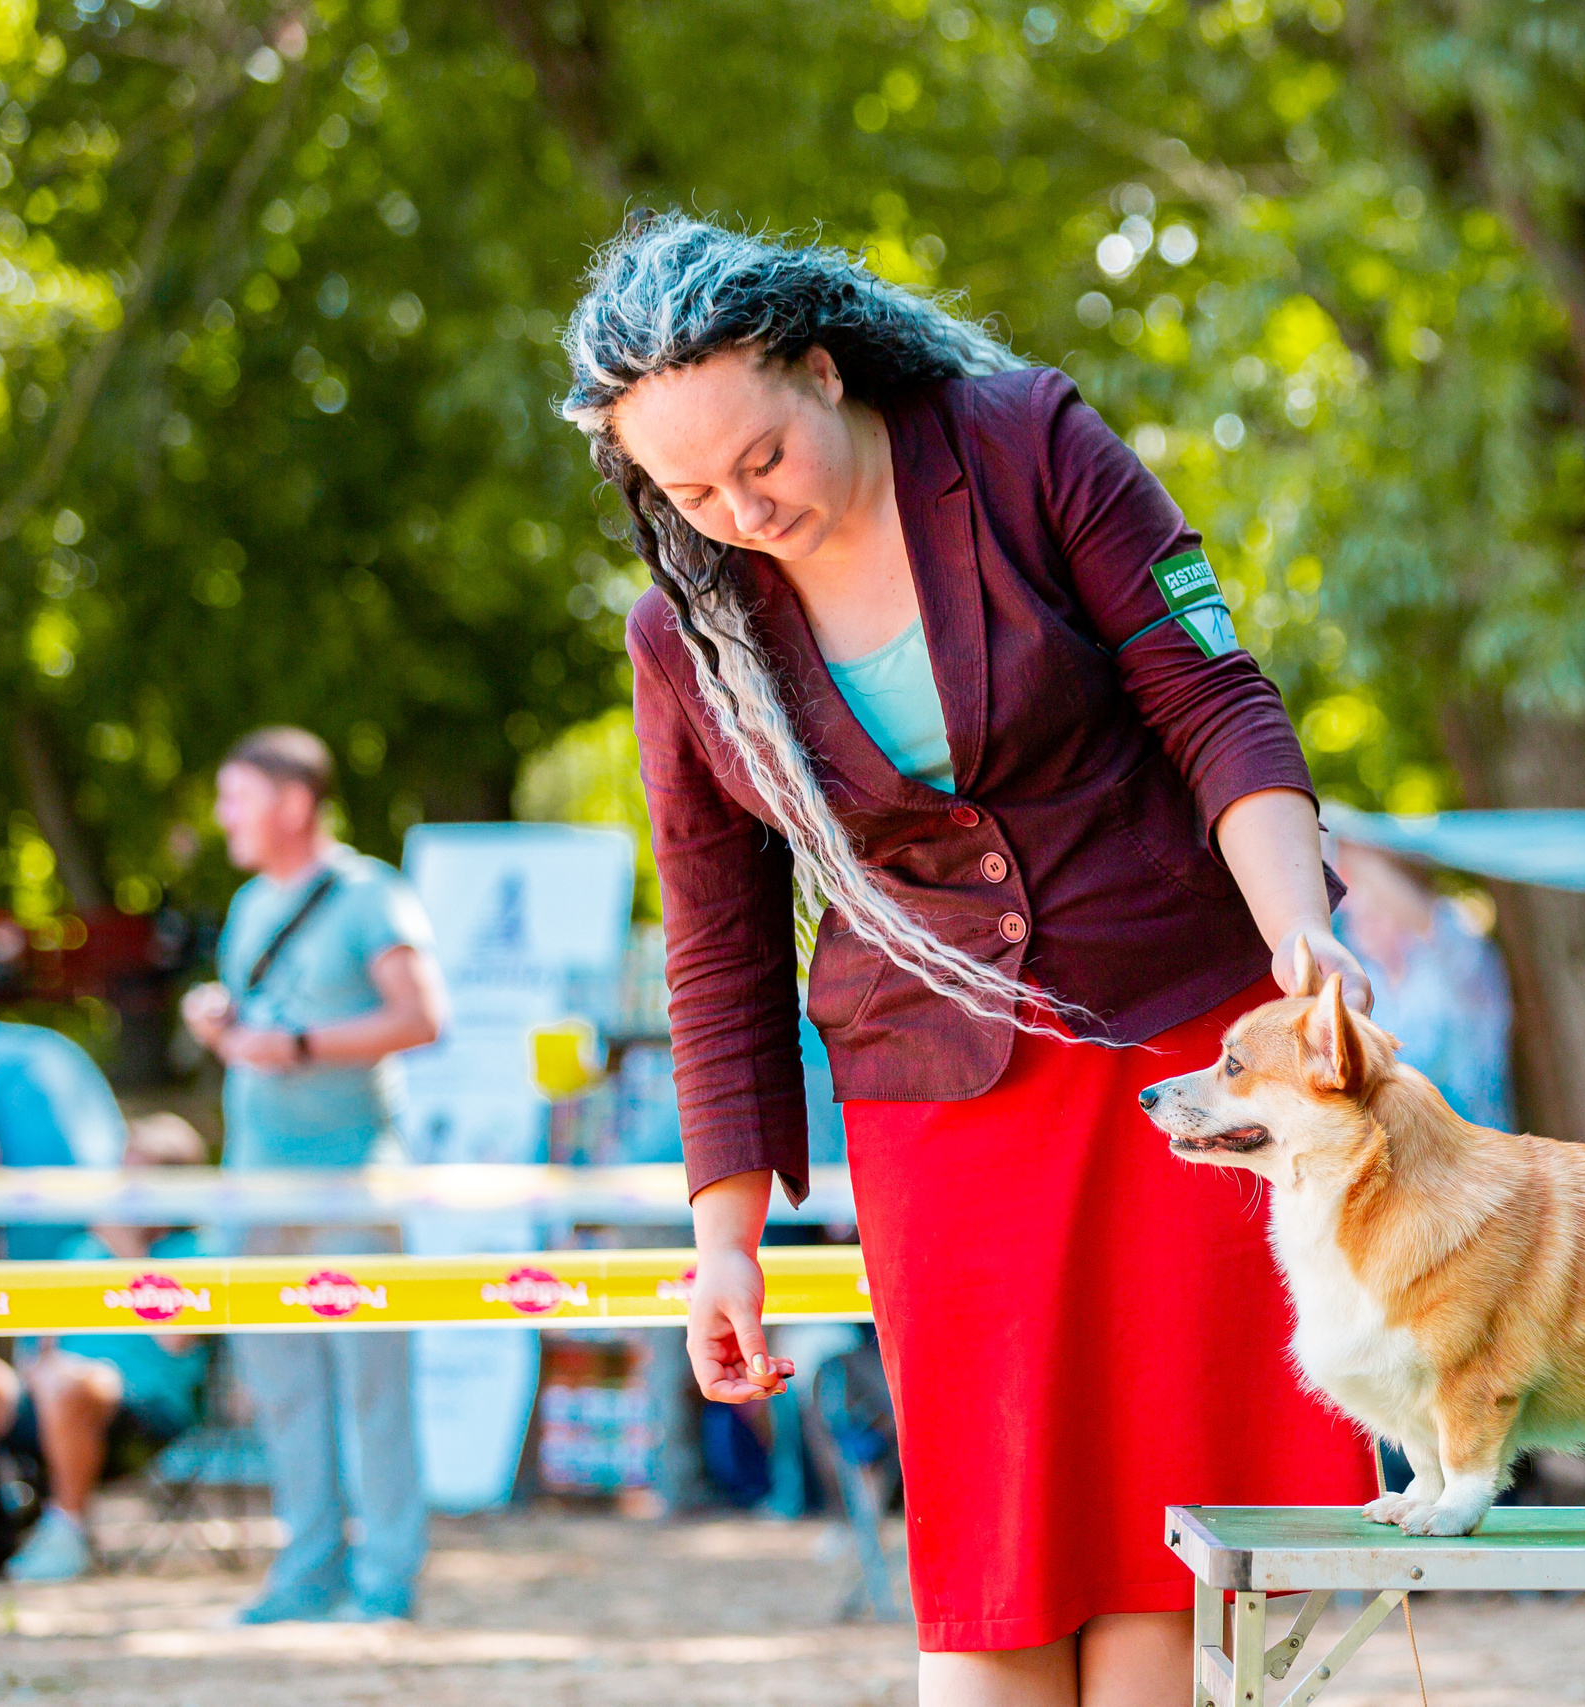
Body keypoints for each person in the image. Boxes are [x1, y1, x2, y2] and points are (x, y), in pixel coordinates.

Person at [561, 216, 1379, 1705]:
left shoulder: (1024, 442)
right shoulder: (683, 634)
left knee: (1173, 1550)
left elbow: (1210, 693)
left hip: (1185, 1044)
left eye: (763, 458)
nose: (740, 510)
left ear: (823, 369)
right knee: (996, 1568)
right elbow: (718, 943)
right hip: (940, 1101)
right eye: (688, 491)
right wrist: (724, 1238)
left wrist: (1295, 931)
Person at [178, 727, 447, 1624]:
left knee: (375, 1384)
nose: (224, 817)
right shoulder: (250, 903)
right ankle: (307, 1571)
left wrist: (296, 1044)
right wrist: (224, 1020)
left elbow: (422, 1017)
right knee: (283, 1387)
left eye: (237, 797)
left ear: (293, 802)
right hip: (256, 1182)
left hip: (354, 1182)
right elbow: (265, 1020)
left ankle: (388, 1578)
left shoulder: (373, 895)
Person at [0, 1114, 213, 1588]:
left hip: (139, 1412)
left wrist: (127, 1254)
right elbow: (36, 1350)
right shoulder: (82, 1251)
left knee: (68, 1379)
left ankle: (66, 1532)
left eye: (140, 1180)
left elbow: (177, 1340)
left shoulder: (195, 1253)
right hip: (50, 1397)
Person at [1330, 835, 1516, 1131]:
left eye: (1375, 912)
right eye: (1357, 915)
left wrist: (1351, 846)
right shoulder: (1364, 983)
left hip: (1478, 1147)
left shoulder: (1455, 958)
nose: (1361, 925)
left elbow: (1424, 919)